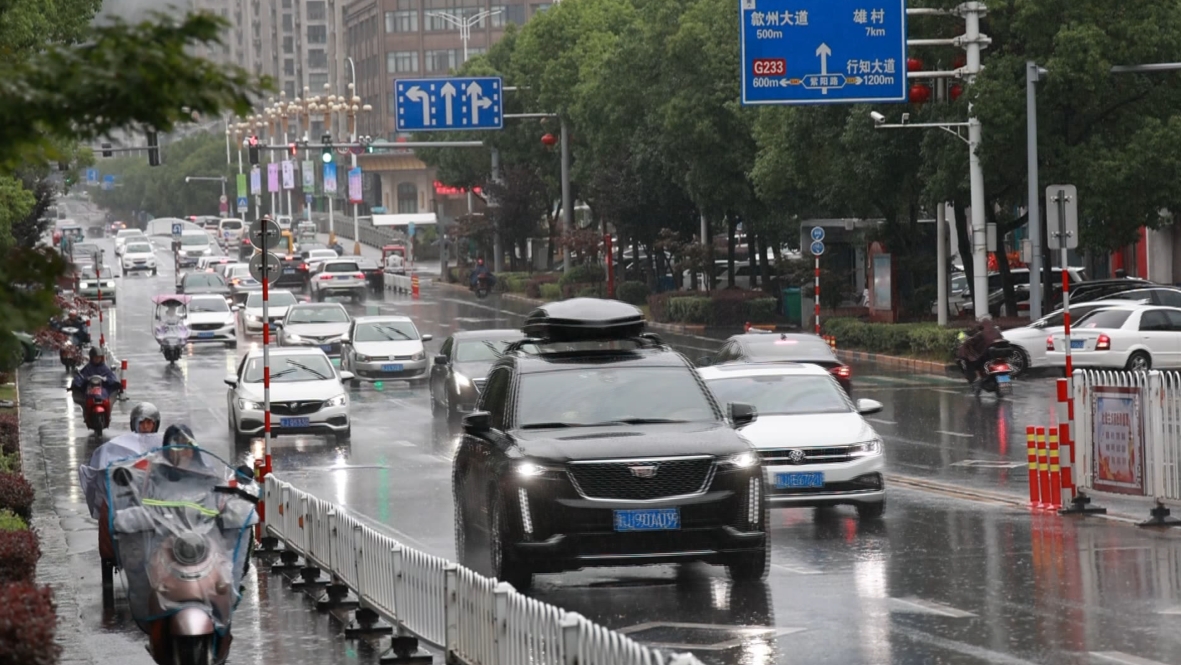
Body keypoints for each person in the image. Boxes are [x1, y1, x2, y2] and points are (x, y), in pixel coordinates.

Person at [956, 316, 1004, 394]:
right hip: (997, 356)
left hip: (987, 357)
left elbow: (971, 341)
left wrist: (965, 341)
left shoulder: (982, 334)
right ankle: (982, 379)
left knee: (973, 362)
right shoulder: (997, 331)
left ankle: (978, 378)